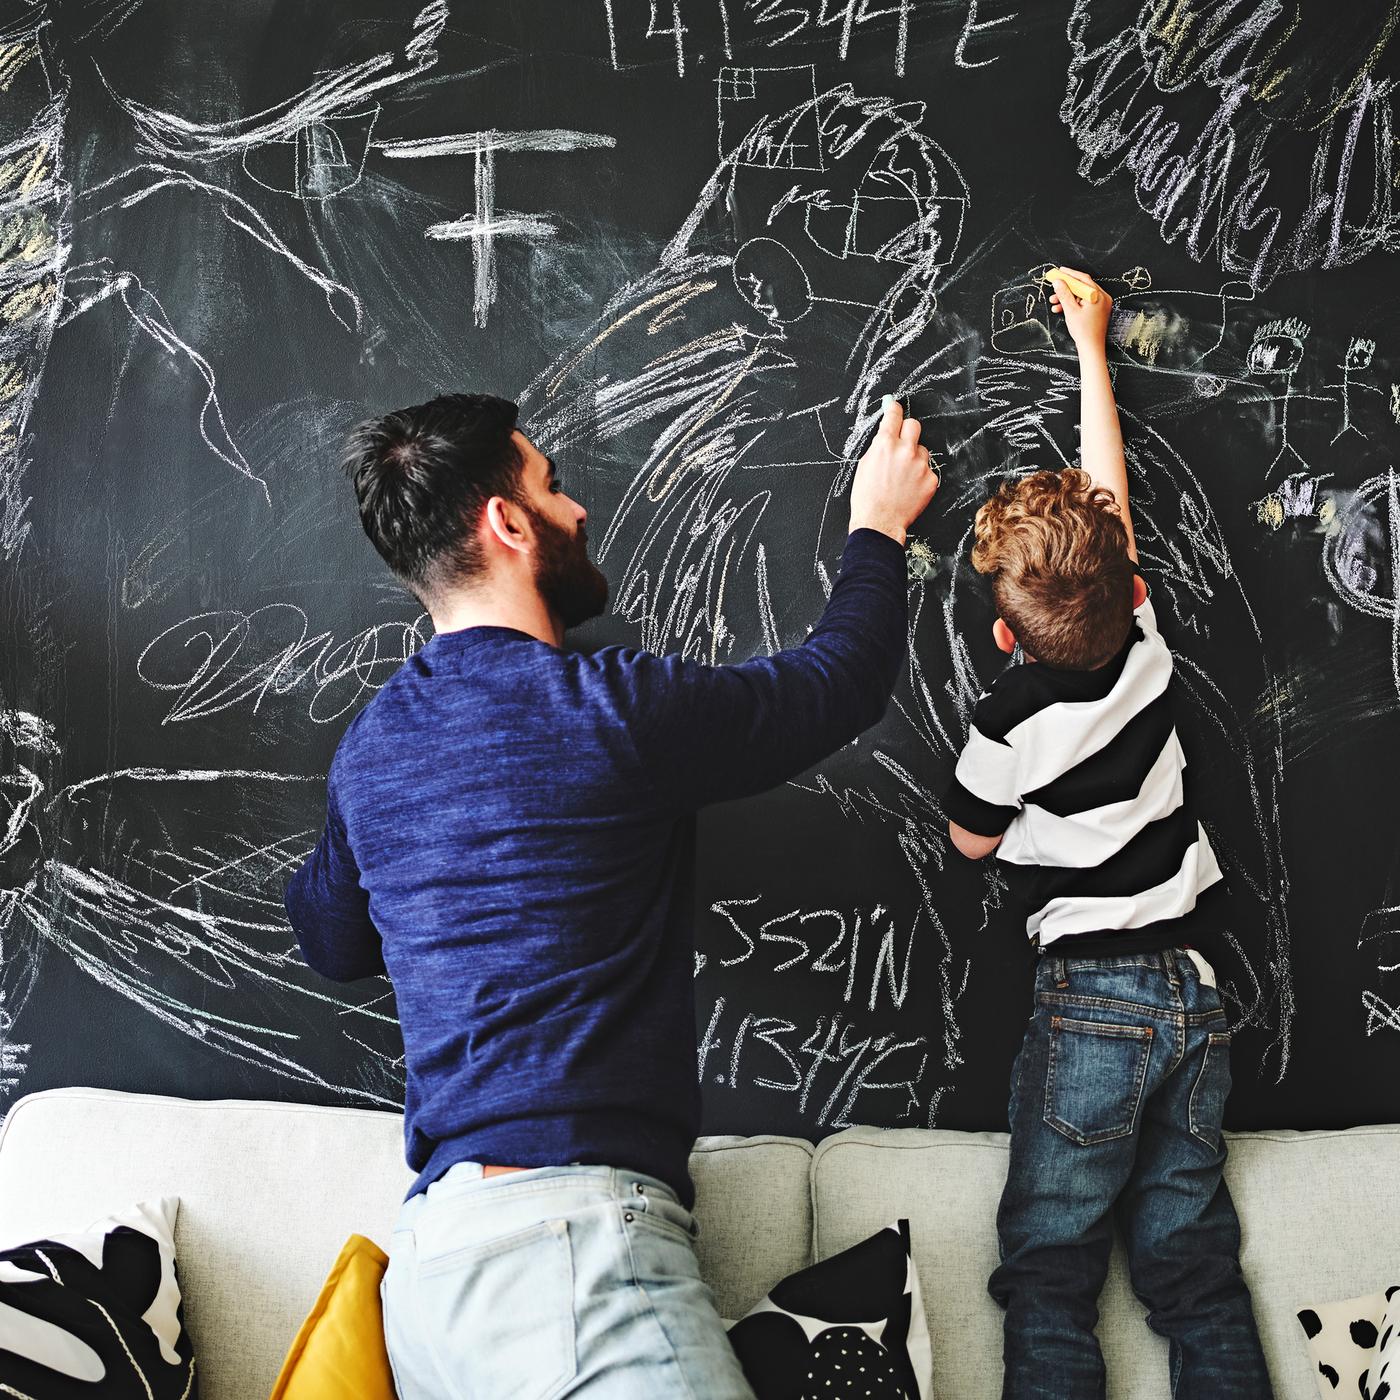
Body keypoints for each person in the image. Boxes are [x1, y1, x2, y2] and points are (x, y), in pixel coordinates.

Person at [284, 390, 938, 1397]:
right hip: (570, 1257)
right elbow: (835, 682)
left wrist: (418, 866)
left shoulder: (370, 752)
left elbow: (329, 940)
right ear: (504, 522)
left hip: (433, 1277)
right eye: (550, 486)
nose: (577, 508)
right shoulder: (610, 710)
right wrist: (876, 525)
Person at [944, 269, 1274, 1398]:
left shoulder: (1005, 718)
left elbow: (970, 843)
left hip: (1088, 997)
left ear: (1001, 633)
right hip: (1193, 984)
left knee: (1048, 1272)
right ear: (1124, 586)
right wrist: (1092, 345)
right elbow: (1107, 498)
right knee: (1192, 1272)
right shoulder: (1144, 652)